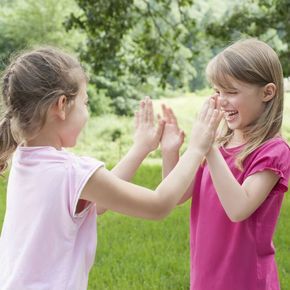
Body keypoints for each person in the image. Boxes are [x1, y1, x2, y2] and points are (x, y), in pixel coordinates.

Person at [0, 47, 222, 290]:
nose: (87, 112)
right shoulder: (70, 171)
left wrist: (140, 148)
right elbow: (158, 205)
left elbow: (99, 200)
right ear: (61, 105)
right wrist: (197, 147)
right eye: (85, 103)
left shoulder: (24, 158)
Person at [161, 38, 290, 290]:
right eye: (217, 91)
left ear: (267, 92)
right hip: (206, 275)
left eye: (231, 91)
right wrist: (170, 151)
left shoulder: (273, 151)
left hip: (246, 279)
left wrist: (207, 147)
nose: (221, 100)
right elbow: (178, 194)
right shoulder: (221, 143)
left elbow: (238, 208)